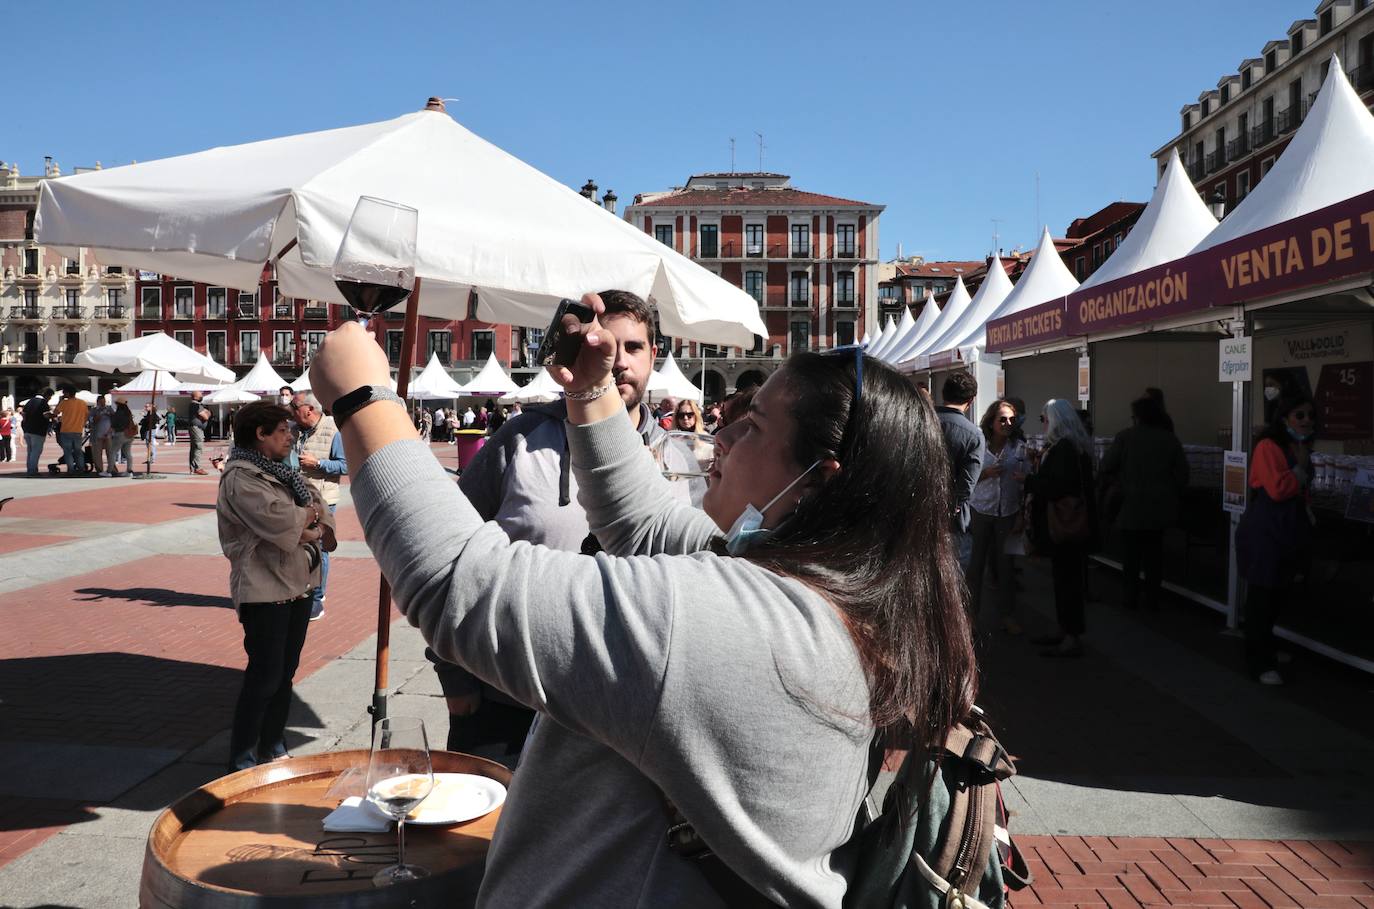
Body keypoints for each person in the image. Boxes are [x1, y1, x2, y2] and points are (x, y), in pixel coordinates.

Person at [308, 292, 975, 907]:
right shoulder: (826, 596)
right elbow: (645, 518)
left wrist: (364, 396)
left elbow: (462, 582)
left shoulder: (747, 624)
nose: (724, 437)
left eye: (752, 428)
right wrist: (594, 390)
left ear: (816, 481)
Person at [427, 290, 700, 765]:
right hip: (507, 699)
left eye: (632, 347)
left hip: (628, 715)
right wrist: (456, 680)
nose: (616, 360)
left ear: (654, 355)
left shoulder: (680, 459)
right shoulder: (519, 439)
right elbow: (447, 552)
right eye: (604, 345)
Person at [217, 401, 336, 772]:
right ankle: (242, 755)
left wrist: (310, 523)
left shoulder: (285, 472)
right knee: (264, 675)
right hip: (264, 587)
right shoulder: (241, 476)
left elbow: (316, 508)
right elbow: (282, 520)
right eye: (283, 430)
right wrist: (308, 521)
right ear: (260, 434)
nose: (290, 436)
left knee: (285, 673)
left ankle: (273, 744)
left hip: (298, 584)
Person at [1235, 394, 1316, 686]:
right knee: (1262, 595)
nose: (1306, 420)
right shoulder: (1268, 447)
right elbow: (1278, 489)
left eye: (1309, 415)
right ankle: (1258, 660)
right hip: (1266, 530)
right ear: (1284, 418)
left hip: (1287, 530)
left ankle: (1266, 643)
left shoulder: (1299, 447)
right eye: (1300, 415)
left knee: (1276, 593)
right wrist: (1299, 471)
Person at [1099, 395, 1188, 611]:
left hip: (1131, 508)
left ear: (1137, 417)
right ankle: (1152, 599)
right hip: (1159, 510)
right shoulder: (1170, 440)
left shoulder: (1125, 437)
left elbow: (1105, 466)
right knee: (1154, 557)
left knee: (1131, 558)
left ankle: (1130, 598)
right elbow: (1182, 476)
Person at [1029, 399, 1097, 658]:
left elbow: (1056, 486)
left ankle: (1070, 635)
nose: (1043, 424)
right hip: (1072, 524)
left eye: (1044, 419)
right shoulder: (1074, 446)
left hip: (1066, 524)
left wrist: (1030, 480)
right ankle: (1065, 629)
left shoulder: (1065, 448)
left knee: (1068, 580)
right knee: (1065, 579)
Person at [967, 399, 1030, 635]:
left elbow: (1026, 480)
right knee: (976, 566)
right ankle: (971, 616)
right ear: (991, 421)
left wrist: (1023, 514)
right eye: (1002, 419)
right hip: (981, 509)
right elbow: (967, 478)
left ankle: (1007, 615)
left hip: (1008, 511)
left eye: (1012, 419)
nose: (1007, 423)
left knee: (1006, 568)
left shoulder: (1019, 446)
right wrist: (984, 474)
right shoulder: (979, 444)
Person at [289, 394, 347, 621]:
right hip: (297, 498)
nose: (291, 412)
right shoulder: (292, 429)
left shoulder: (334, 430)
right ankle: (304, 593)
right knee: (298, 547)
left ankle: (317, 598)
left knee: (319, 548)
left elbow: (345, 465)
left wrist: (319, 463)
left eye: (294, 407)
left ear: (309, 409)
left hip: (323, 500)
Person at [935, 370, 984, 572]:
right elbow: (966, 486)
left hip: (915, 516)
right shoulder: (974, 435)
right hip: (952, 523)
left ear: (944, 394)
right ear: (971, 401)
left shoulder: (920, 422)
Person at [54, 387, 89, 475]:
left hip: (66, 430)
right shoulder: (82, 403)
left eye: (64, 393)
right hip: (78, 430)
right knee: (78, 451)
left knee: (68, 451)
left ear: (68, 393)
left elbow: (55, 412)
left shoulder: (64, 403)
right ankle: (81, 468)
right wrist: (82, 424)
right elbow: (86, 415)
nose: (63, 395)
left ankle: (71, 469)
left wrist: (60, 401)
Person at [21, 388, 53, 477]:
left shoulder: (30, 401)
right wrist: (53, 415)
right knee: (36, 451)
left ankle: (30, 469)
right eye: (50, 396)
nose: (49, 399)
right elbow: (46, 415)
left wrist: (26, 424)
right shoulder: (43, 403)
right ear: (47, 395)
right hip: (38, 431)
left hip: (28, 430)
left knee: (30, 451)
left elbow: (23, 414)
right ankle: (32, 471)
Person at [108, 398, 137, 477]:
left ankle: (109, 471)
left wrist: (111, 416)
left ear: (118, 404)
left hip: (120, 434)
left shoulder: (119, 413)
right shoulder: (128, 412)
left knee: (113, 452)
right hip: (130, 435)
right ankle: (129, 471)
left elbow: (114, 423)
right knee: (128, 453)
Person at [90, 395, 114, 476]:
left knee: (110, 452)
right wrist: (98, 416)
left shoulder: (109, 409)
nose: (103, 403)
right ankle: (99, 470)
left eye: (104, 401)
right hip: (97, 435)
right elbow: (91, 421)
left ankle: (111, 469)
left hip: (109, 435)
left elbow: (114, 420)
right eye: (101, 402)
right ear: (98, 402)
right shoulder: (93, 410)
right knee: (97, 453)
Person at [188, 392, 211, 475]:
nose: (202, 396)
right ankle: (197, 467)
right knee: (198, 446)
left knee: (194, 447)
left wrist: (206, 413)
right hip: (196, 428)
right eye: (200, 395)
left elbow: (207, 413)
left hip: (196, 427)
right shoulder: (196, 405)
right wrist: (206, 414)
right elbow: (206, 416)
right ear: (196, 397)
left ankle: (193, 468)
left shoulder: (196, 405)